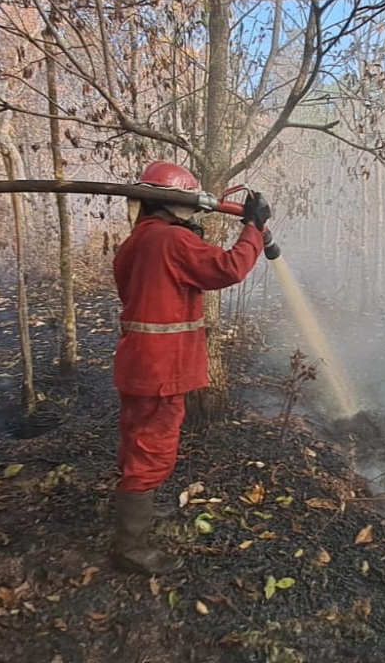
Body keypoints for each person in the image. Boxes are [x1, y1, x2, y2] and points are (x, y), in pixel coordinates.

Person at [112, 161, 271, 574]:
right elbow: (229, 268)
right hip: (162, 368)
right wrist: (253, 228)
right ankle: (130, 546)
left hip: (139, 363)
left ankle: (141, 513)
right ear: (178, 203)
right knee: (153, 446)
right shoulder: (170, 241)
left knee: (138, 440)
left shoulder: (137, 242)